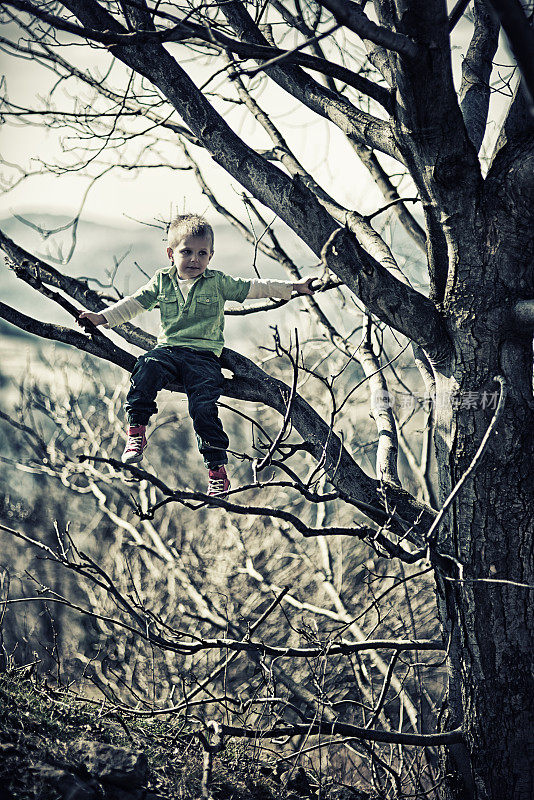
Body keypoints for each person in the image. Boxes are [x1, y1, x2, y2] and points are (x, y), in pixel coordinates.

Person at [78, 214, 315, 496]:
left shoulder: (217, 282)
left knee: (203, 409)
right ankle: (136, 432)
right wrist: (100, 318)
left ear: (211, 255)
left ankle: (217, 472)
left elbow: (255, 287)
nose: (194, 259)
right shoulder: (162, 281)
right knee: (145, 368)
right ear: (171, 253)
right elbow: (133, 304)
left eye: (202, 253)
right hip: (169, 351)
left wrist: (295, 288)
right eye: (186, 252)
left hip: (204, 359)